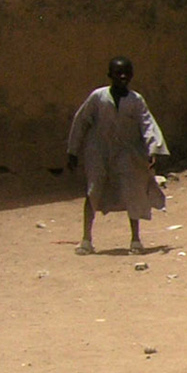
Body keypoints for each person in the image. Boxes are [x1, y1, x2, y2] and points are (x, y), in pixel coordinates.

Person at [67, 56, 169, 254]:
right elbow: (81, 121)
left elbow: (147, 124)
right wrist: (73, 150)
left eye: (126, 73)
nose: (122, 76)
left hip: (126, 151)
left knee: (132, 190)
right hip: (98, 150)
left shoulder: (136, 100)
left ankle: (136, 240)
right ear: (110, 75)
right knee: (93, 191)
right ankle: (86, 239)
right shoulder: (98, 97)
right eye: (118, 73)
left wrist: (152, 149)